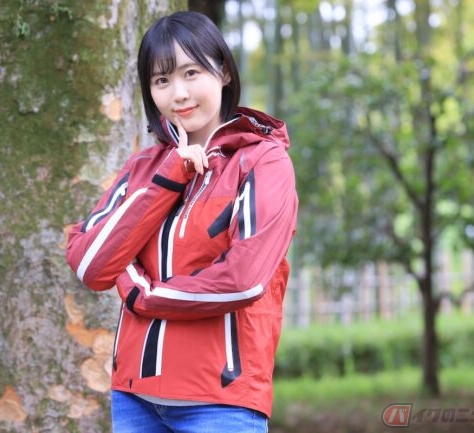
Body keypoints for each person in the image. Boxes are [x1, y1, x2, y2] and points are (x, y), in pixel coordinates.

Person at [66, 10, 298, 433]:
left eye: (191, 73)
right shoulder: (144, 167)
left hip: (221, 402)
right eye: (161, 80)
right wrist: (169, 177)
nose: (179, 94)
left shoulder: (262, 162)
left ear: (223, 71)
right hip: (135, 399)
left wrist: (145, 295)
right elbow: (92, 265)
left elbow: (243, 279)